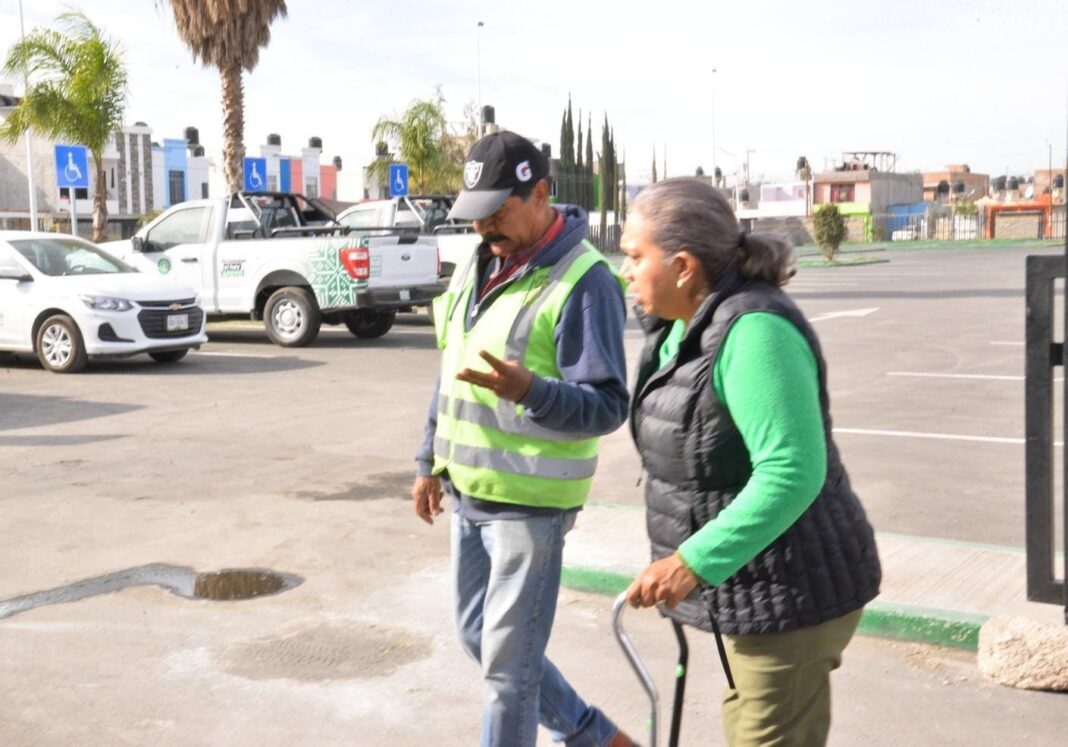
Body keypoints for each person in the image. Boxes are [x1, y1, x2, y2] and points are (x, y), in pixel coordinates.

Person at [621, 177, 881, 746]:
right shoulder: (680, 330)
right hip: (751, 590)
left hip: (793, 591)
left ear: (684, 266)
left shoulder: (754, 332)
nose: (626, 272)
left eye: (635, 257)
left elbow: (792, 471)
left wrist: (692, 561)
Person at [411, 130, 635, 747]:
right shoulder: (477, 263)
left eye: (498, 213)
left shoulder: (584, 281)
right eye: (476, 216)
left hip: (530, 510)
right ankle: (594, 736)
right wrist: (429, 459)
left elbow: (609, 405)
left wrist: (531, 390)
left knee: (507, 675)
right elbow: (449, 364)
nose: (485, 228)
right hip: (468, 496)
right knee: (477, 639)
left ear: (541, 194)